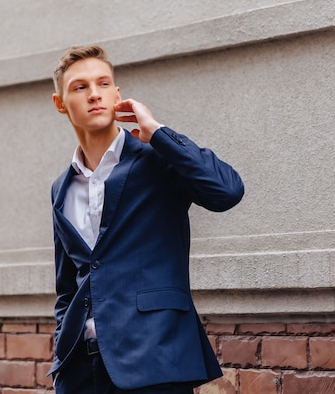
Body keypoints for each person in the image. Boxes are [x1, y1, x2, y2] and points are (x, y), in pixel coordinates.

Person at [48, 45, 244, 394]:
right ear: (60, 103)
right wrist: (62, 350)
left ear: (117, 93)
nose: (95, 94)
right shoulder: (61, 188)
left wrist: (157, 131)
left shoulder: (157, 159)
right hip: (80, 370)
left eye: (103, 84)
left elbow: (226, 191)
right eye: (80, 87)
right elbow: (68, 285)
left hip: (155, 361)